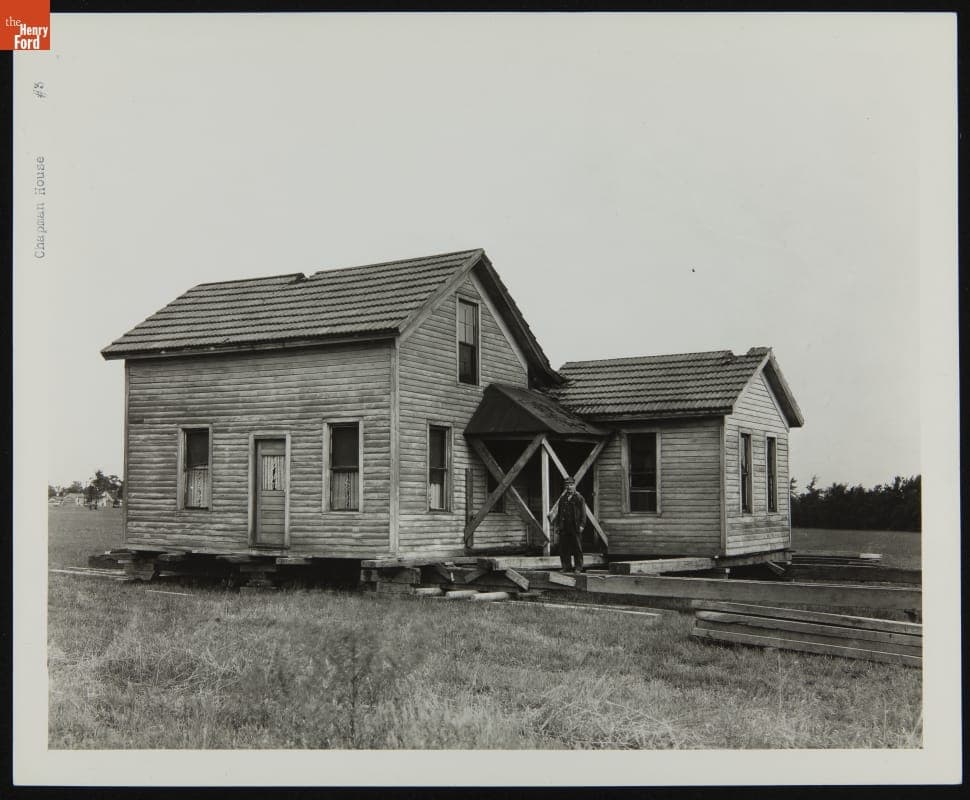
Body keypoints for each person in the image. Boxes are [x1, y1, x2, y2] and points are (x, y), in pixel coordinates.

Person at [554, 477, 587, 573]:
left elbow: (583, 514)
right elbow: (559, 514)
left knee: (577, 547)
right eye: (567, 485)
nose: (569, 487)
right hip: (564, 527)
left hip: (575, 526)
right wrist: (558, 526)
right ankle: (566, 566)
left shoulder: (579, 498)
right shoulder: (562, 499)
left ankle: (578, 567)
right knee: (564, 548)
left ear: (574, 485)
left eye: (571, 485)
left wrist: (582, 525)